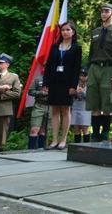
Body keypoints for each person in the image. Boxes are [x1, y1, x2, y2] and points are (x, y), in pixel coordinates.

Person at [87, 3, 112, 141]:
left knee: (107, 102)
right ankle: (95, 133)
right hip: (94, 68)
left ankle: (105, 133)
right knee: (94, 102)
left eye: (106, 11)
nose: (103, 14)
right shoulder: (95, 31)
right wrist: (87, 71)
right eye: (102, 11)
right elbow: (91, 54)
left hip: (109, 69)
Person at [43, 21, 82, 149]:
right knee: (54, 110)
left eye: (68, 30)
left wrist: (73, 86)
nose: (65, 32)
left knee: (65, 110)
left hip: (67, 83)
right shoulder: (54, 47)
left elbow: (76, 69)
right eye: (63, 30)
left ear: (73, 32)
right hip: (54, 82)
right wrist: (46, 83)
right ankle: (54, 139)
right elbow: (48, 66)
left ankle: (63, 139)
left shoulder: (77, 48)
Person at [0, 54, 21, 152]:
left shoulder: (13, 77)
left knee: (2, 132)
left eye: (1, 63)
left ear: (7, 65)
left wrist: (2, 95)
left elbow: (17, 93)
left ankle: (1, 150)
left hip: (4, 108)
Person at [27, 71, 49, 149]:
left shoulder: (57, 79)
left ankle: (41, 150)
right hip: (39, 105)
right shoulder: (38, 79)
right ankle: (30, 150)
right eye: (44, 66)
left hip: (51, 107)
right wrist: (41, 93)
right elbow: (30, 91)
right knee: (34, 129)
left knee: (44, 130)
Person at [71, 68, 91, 142]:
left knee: (85, 129)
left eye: (84, 75)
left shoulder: (90, 85)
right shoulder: (74, 84)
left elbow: (92, 98)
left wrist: (83, 92)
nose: (81, 77)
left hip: (85, 108)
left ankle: (86, 148)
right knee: (76, 128)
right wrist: (75, 92)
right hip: (75, 107)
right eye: (80, 75)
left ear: (87, 76)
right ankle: (76, 147)